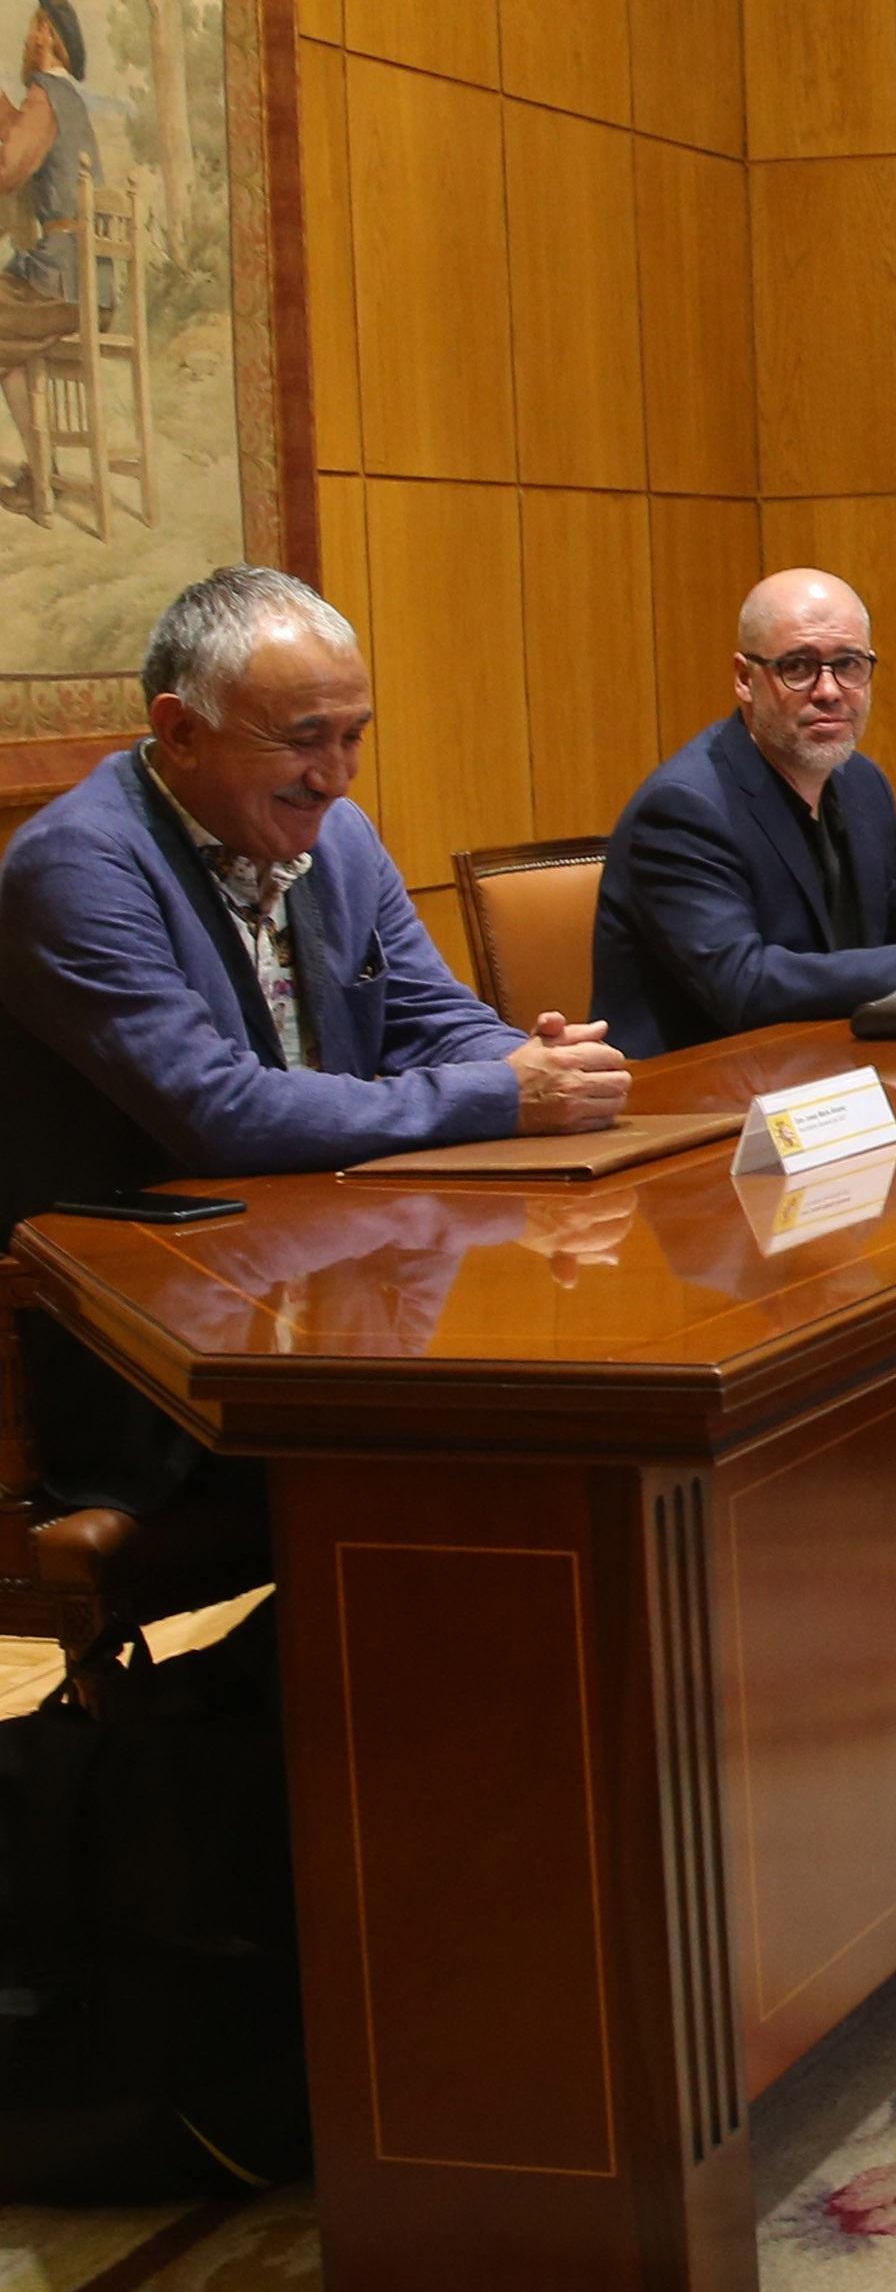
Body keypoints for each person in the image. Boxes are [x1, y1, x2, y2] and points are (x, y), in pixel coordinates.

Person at [0, 566, 631, 1562]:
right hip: (152, 1362)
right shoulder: (76, 868)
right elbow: (221, 1113)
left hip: (338, 1294)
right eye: (301, 739)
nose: (335, 776)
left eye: (351, 736)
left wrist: (531, 1060)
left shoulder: (338, 840)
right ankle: (238, 1715)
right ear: (179, 732)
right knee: (509, 1468)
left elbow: (430, 1016)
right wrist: (501, 1092)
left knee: (576, 1421)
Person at [592, 568, 896, 1050]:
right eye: (798, 667)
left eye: (848, 664)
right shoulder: (684, 808)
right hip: (695, 1098)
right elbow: (743, 987)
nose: (828, 691)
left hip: (826, 1077)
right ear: (745, 678)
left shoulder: (860, 783)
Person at [0, 0, 99, 505]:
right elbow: (21, 136)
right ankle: (41, 473)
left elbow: (9, 169)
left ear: (49, 39)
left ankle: (41, 476)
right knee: (7, 348)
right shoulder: (68, 100)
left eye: (38, 27)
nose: (30, 35)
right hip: (90, 281)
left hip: (59, 279)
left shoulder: (45, 96)